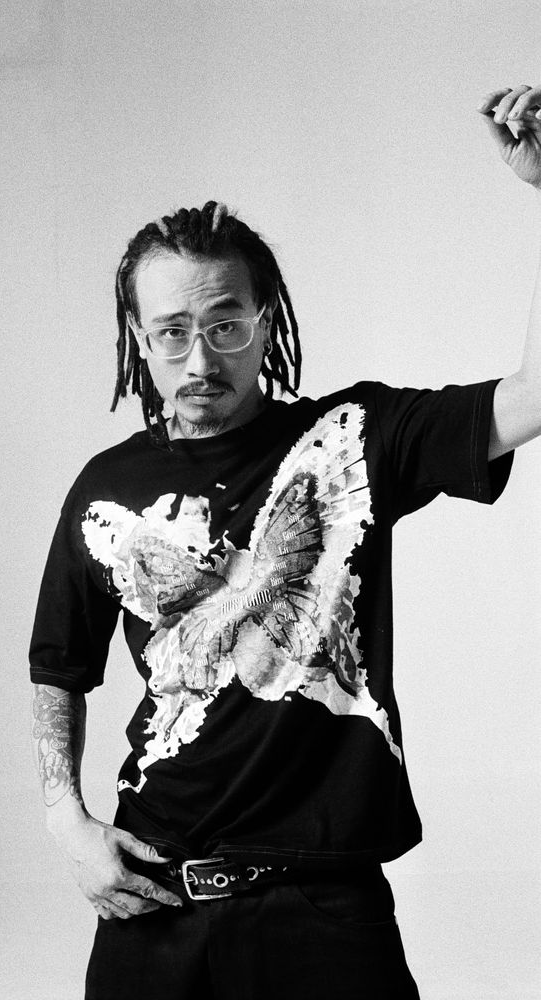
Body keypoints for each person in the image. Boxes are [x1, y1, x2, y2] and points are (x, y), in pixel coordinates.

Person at [29, 84, 541, 1000]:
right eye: (172, 333)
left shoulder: (356, 439)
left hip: (319, 911)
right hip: (154, 898)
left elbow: (532, 398)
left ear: (264, 320)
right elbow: (58, 665)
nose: (200, 360)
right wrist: (68, 822)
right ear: (138, 339)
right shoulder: (105, 489)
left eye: (225, 325)